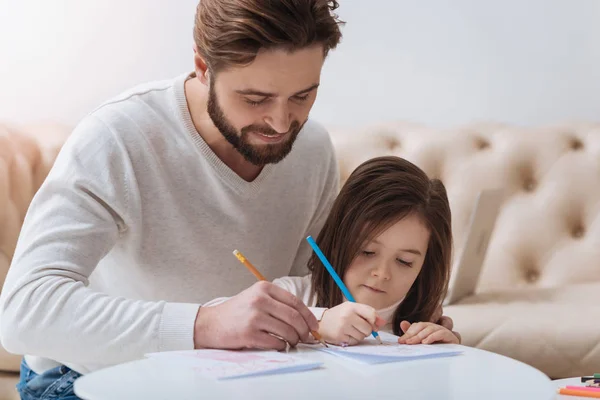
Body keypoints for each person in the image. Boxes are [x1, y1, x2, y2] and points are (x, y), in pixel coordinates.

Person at [0, 1, 453, 398]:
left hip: (228, 382)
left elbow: (315, 296)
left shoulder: (311, 149)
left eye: (303, 95)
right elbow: (24, 312)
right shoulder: (119, 139)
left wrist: (406, 327)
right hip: (86, 379)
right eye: (255, 98)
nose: (280, 122)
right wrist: (207, 325)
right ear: (202, 66)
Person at [271, 156, 461, 346]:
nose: (382, 273)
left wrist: (450, 353)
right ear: (338, 239)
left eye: (404, 261)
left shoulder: (423, 326)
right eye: (367, 252)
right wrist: (317, 323)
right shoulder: (288, 296)